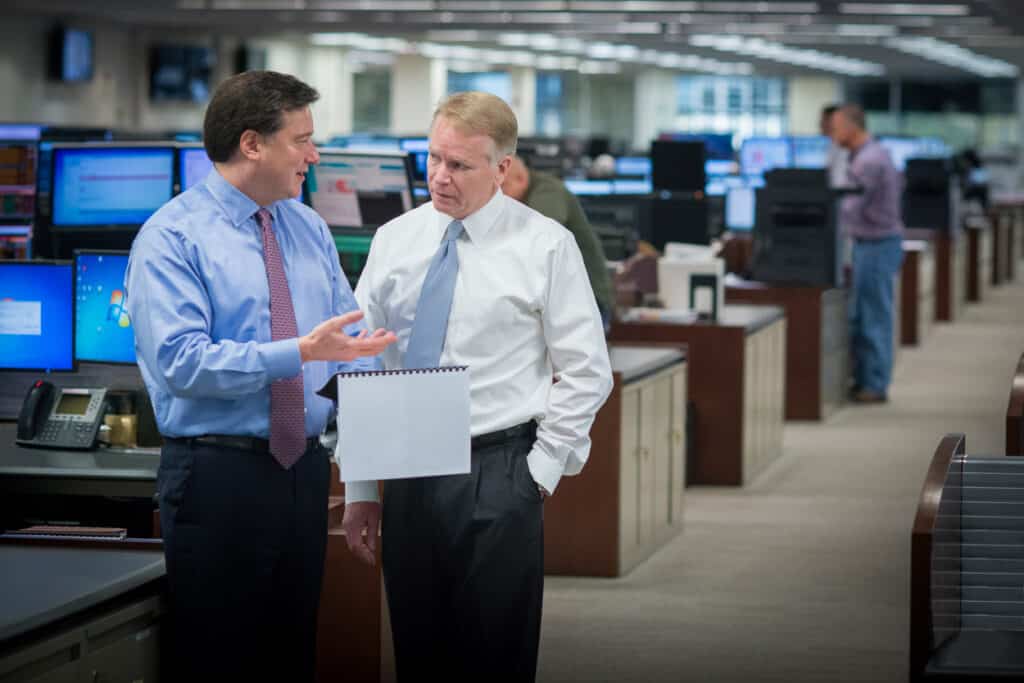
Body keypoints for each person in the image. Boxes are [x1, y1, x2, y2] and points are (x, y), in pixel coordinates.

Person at [125, 70, 396, 681]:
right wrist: (296, 353)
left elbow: (345, 342)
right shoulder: (172, 238)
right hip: (219, 477)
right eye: (302, 139)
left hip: (300, 470)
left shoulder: (306, 226)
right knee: (221, 657)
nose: (314, 154)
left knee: (290, 652)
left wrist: (368, 466)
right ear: (252, 143)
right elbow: (182, 363)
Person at [342, 91, 613, 682]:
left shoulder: (544, 245)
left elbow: (588, 369)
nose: (440, 177)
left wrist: (539, 470)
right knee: (418, 649)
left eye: (459, 165)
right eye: (433, 158)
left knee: (495, 654)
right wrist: (362, 484)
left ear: (502, 168)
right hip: (408, 471)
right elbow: (363, 365)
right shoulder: (396, 239)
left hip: (498, 467)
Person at [830, 103, 904, 404]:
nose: (832, 134)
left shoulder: (868, 162)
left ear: (851, 126)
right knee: (865, 315)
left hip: (876, 244)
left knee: (874, 316)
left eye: (835, 127)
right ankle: (867, 381)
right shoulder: (868, 155)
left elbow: (848, 208)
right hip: (872, 244)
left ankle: (874, 385)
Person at [502, 154, 614, 326]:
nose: (498, 196)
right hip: (561, 298)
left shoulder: (547, 192)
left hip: (587, 300)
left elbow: (538, 242)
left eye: (503, 188)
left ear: (520, 179)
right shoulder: (523, 196)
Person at [821, 104, 850, 189]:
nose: (820, 123)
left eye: (824, 120)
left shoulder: (845, 147)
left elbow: (840, 183)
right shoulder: (833, 145)